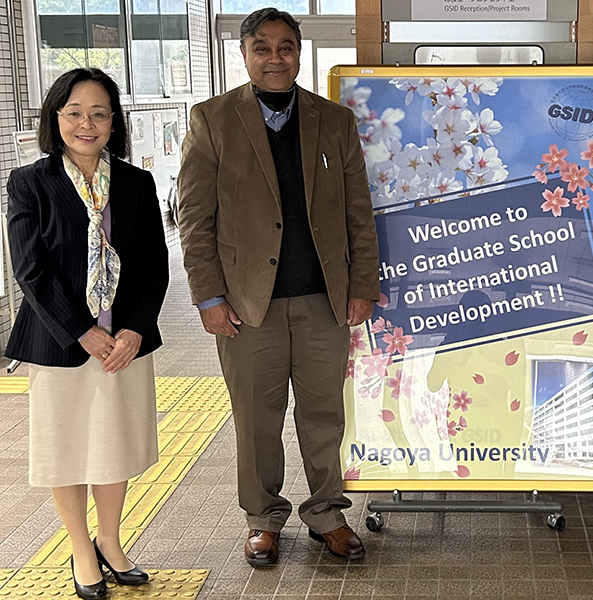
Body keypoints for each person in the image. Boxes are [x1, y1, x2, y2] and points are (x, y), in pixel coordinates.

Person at [177, 7, 379, 566]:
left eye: (285, 47)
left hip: (323, 300)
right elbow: (195, 218)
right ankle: (263, 518)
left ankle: (326, 513)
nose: (275, 58)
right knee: (256, 417)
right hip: (246, 305)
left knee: (323, 415)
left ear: (298, 52)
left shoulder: (333, 121)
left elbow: (359, 213)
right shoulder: (212, 119)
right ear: (244, 55)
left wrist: (362, 283)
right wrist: (209, 298)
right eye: (262, 48)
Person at [5, 68, 169, 599]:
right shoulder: (30, 182)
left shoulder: (137, 183)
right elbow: (30, 271)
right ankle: (81, 548)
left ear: (114, 121)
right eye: (74, 112)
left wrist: (134, 331)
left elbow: (153, 267)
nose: (86, 123)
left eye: (99, 113)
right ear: (56, 118)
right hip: (60, 343)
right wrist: (82, 331)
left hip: (123, 343)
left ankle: (111, 541)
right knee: (67, 448)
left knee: (114, 446)